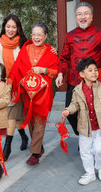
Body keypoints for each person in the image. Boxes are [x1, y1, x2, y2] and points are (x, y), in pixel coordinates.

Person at [55, 2, 101, 136]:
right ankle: (84, 134)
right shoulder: (69, 35)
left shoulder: (100, 33)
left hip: (92, 82)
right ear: (76, 17)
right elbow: (64, 58)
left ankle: (87, 138)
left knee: (91, 112)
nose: (83, 17)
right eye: (79, 14)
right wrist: (60, 73)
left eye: (86, 13)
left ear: (92, 16)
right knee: (70, 113)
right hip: (73, 81)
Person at [8, 22, 59, 165]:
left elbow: (55, 71)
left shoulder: (51, 52)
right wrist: (11, 81)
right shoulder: (25, 48)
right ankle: (39, 146)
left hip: (43, 93)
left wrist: (44, 70)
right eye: (34, 34)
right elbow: (17, 66)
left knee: (40, 121)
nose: (36, 37)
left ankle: (35, 154)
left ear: (46, 36)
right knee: (30, 120)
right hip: (26, 91)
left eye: (39, 34)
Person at [0, 14, 29, 161]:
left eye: (14, 27)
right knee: (12, 115)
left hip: (22, 85)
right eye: (8, 26)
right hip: (6, 86)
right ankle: (8, 146)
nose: (11, 29)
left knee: (18, 116)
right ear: (4, 27)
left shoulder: (23, 43)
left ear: (18, 28)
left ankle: (23, 138)